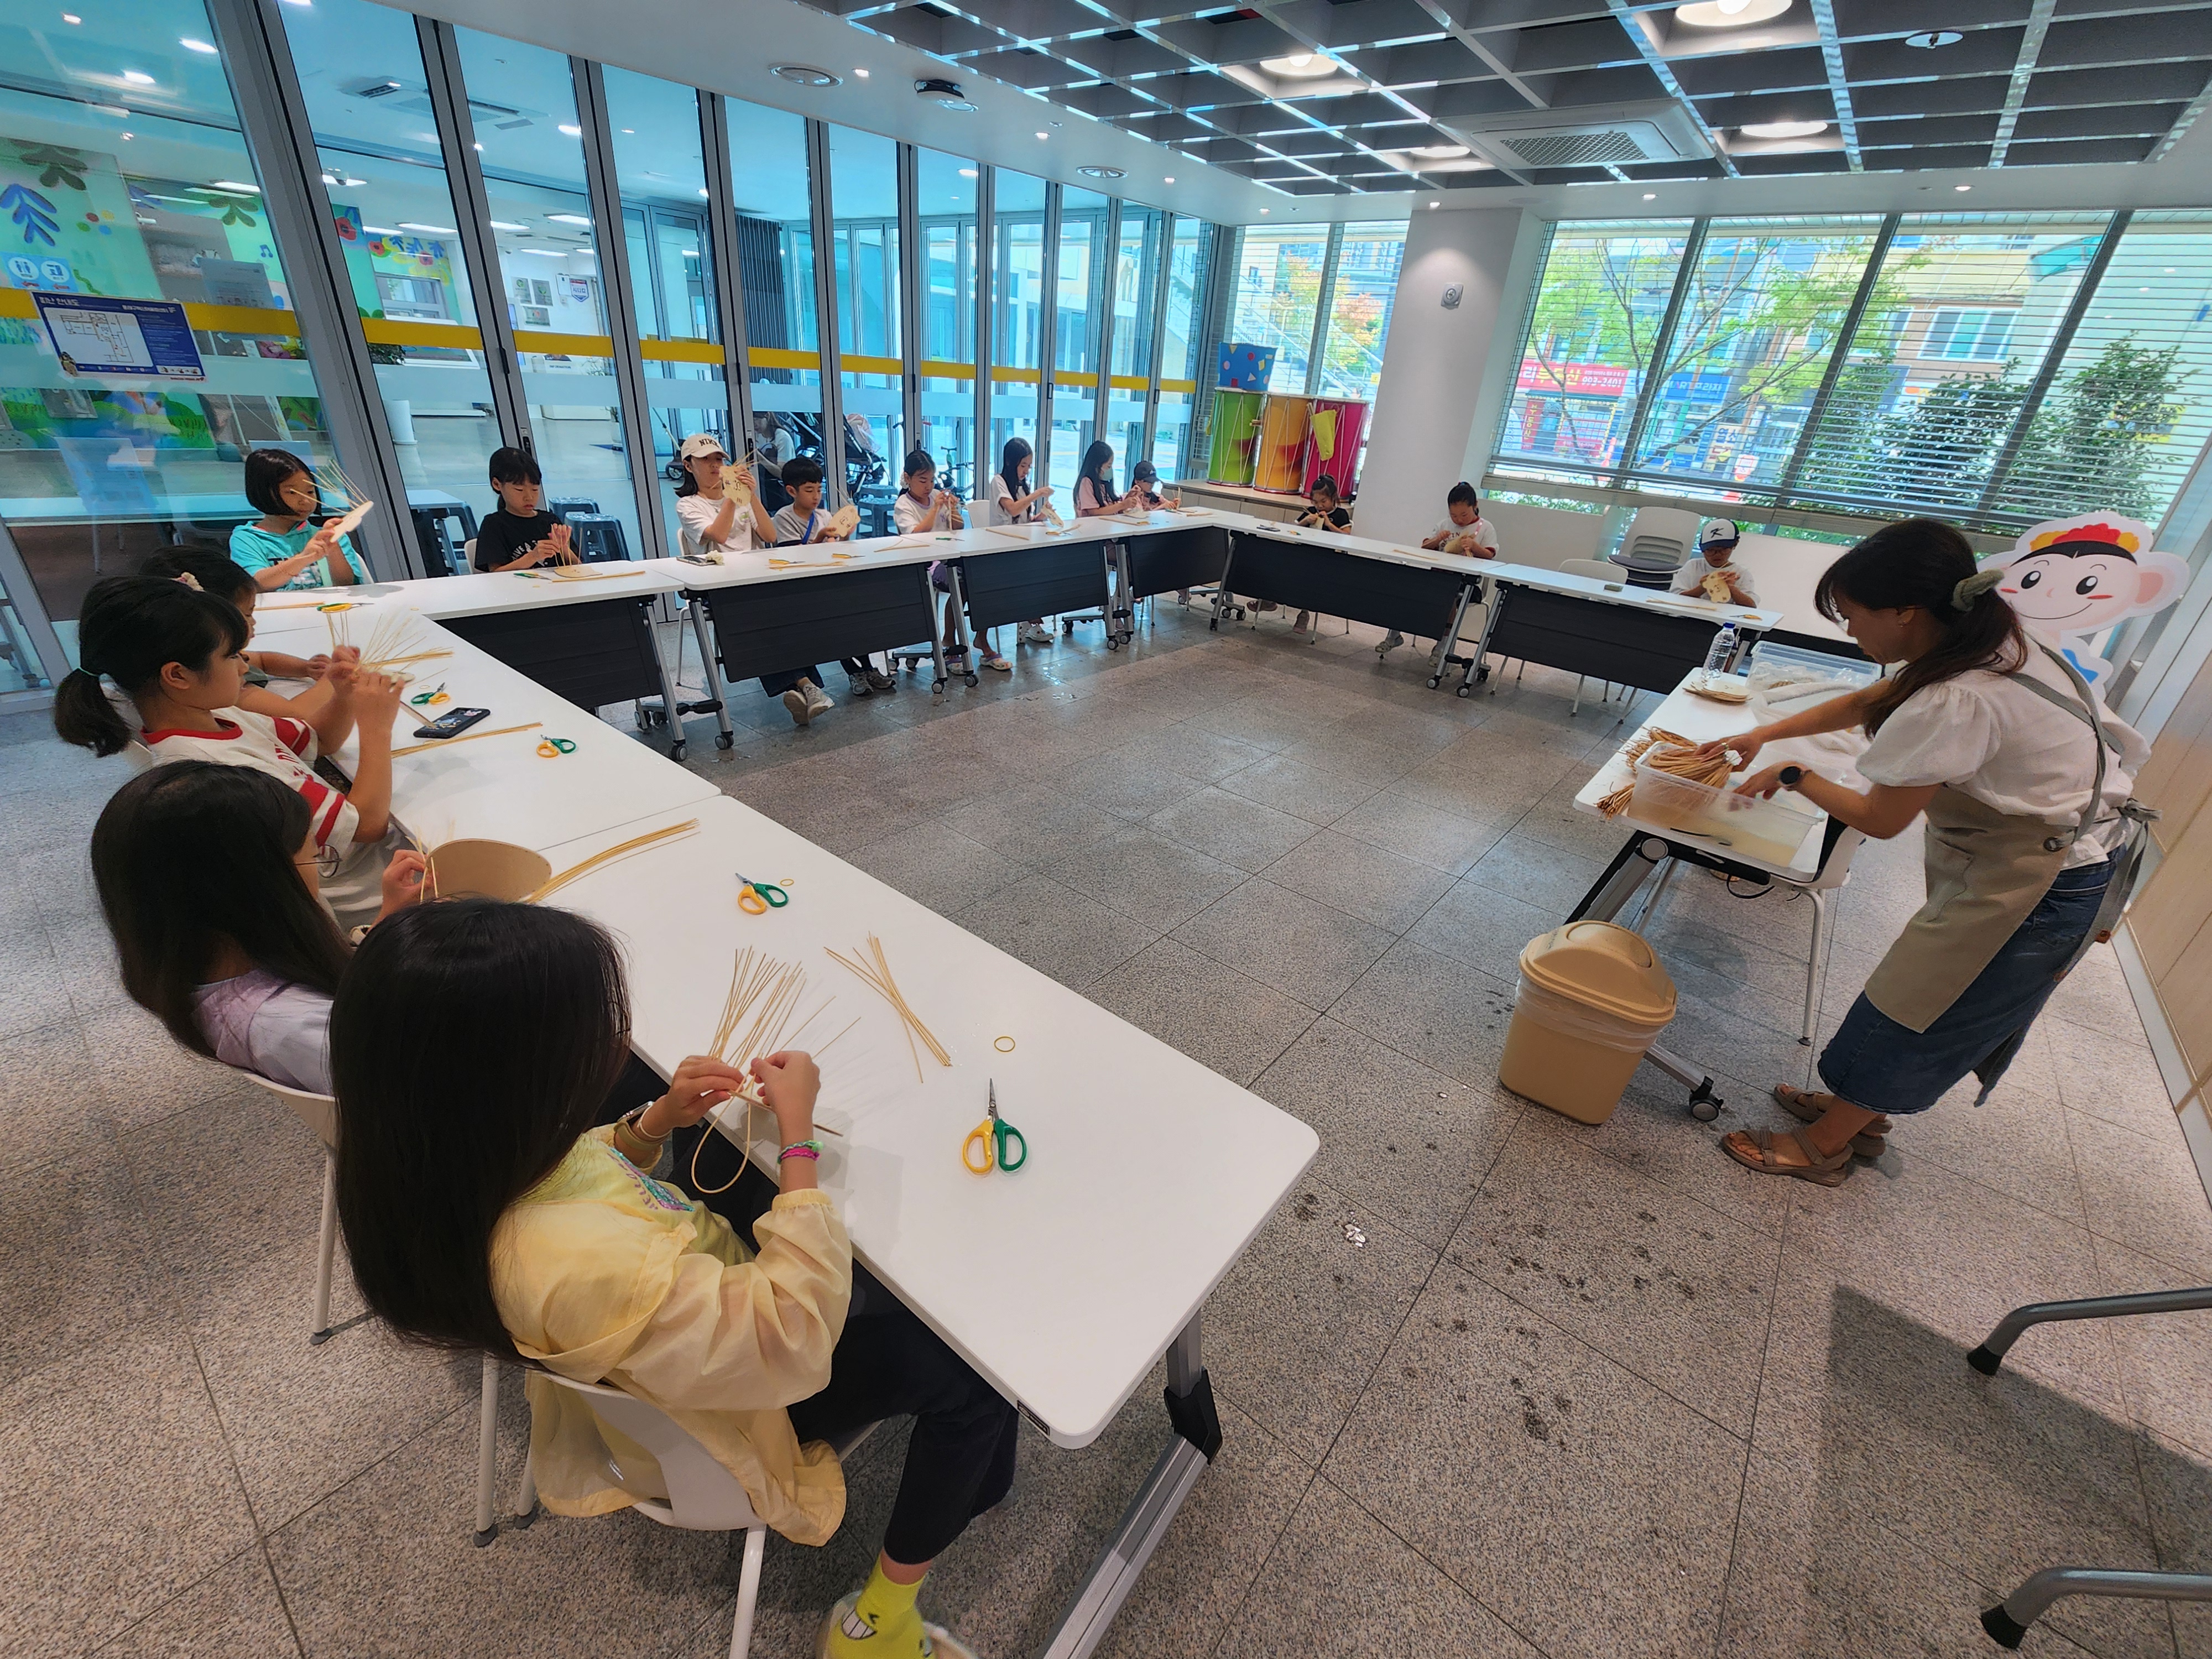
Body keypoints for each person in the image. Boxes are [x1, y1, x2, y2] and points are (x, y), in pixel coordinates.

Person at [331, 900, 1014, 1659]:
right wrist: (798, 1142)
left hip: (670, 1314)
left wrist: (653, 1121)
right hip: (736, 1394)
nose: (613, 1045)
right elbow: (792, 1337)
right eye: (585, 1037)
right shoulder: (582, 1261)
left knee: (722, 1155)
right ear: (511, 1083)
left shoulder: (453, 1171)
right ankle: (879, 1623)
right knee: (979, 1376)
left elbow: (581, 1169)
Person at [1698, 519, 2151, 1185]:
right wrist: (1766, 733)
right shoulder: (1990, 641)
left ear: (1904, 611)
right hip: (2048, 862)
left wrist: (1795, 773)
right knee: (1918, 994)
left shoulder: (1957, 696)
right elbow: (1875, 697)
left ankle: (1826, 1146)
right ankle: (1857, 1113)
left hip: (2044, 883)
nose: (1849, 631)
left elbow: (1881, 819)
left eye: (1851, 615)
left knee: (1921, 1007)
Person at [54, 576, 405, 930]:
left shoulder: (219, 715)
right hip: (376, 896)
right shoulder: (213, 772)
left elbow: (319, 740)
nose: (244, 667)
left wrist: (342, 695)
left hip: (381, 862)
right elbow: (368, 826)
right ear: (178, 675)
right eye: (232, 655)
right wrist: (377, 729)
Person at [90, 762, 425, 1093]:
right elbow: (423, 1086)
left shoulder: (208, 967)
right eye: (312, 856)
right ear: (259, 886)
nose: (316, 869)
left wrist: (389, 918)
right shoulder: (290, 1028)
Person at [676, 434, 833, 726]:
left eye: (719, 459)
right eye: (706, 460)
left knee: (787, 609)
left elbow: (770, 536)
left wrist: (751, 497)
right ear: (689, 466)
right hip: (718, 585)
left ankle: (797, 689)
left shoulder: (741, 500)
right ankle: (806, 684)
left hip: (757, 578)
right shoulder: (689, 505)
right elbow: (719, 534)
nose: (715, 465)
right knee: (760, 616)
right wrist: (732, 498)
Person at [137, 542, 335, 716]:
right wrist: (334, 679)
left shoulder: (211, 657)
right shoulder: (218, 684)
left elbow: (263, 660)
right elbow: (296, 713)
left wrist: (304, 668)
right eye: (247, 615)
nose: (253, 622)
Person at [773, 457, 895, 700]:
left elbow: (837, 549)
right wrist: (820, 538)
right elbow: (794, 557)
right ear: (792, 491)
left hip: (830, 579)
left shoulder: (824, 514)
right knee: (836, 623)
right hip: (803, 588)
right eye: (809, 490)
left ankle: (868, 668)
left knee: (857, 615)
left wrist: (846, 535)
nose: (816, 496)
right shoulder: (783, 517)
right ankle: (854, 672)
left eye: (819, 489)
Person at [901, 450, 1007, 676]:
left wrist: (954, 511)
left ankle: (981, 638)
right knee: (961, 582)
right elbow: (915, 535)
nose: (929, 486)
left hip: (951, 554)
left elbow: (958, 527)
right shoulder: (904, 505)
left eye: (932, 480)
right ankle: (950, 640)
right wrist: (936, 508)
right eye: (922, 481)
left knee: (985, 577)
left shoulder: (936, 495)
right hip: (925, 562)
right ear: (908, 478)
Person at [229, 448, 369, 591]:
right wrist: (303, 558)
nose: (306, 500)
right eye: (292, 492)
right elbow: (256, 584)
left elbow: (347, 585)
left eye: (310, 491)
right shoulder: (247, 539)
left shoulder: (327, 534)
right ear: (263, 492)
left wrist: (334, 550)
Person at [1392, 482, 1500, 655]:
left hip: (1467, 583)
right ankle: (1394, 634)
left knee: (1450, 594)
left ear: (1475, 506)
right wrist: (1437, 540)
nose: (1459, 520)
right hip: (1438, 577)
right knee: (1407, 586)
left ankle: (1443, 644)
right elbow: (1425, 548)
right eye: (1454, 515)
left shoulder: (1485, 527)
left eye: (1464, 515)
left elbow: (1490, 555)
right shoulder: (1444, 525)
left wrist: (1474, 546)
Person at [984, 437, 1054, 647]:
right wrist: (1037, 494)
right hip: (1001, 547)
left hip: (1020, 544)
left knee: (1044, 566)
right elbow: (1013, 510)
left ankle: (1030, 620)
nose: (1026, 471)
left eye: (1029, 466)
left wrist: (1041, 516)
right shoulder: (998, 482)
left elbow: (1023, 521)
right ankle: (1031, 619)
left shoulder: (1021, 486)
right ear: (1010, 462)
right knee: (1032, 571)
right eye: (1023, 465)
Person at [473, 447, 574, 573]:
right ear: (497, 485)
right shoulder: (494, 525)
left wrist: (563, 548)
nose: (529, 497)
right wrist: (533, 556)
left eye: (535, 489)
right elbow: (496, 573)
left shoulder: (550, 520)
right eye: (519, 490)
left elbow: (579, 567)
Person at [1290, 476, 1353, 634]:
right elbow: (1292, 530)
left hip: (1325, 559)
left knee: (1309, 578)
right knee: (1283, 566)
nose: (1319, 506)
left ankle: (1304, 613)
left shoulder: (1341, 514)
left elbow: (1347, 536)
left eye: (1323, 501)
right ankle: (1269, 600)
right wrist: (1305, 521)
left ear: (1334, 497)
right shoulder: (1311, 512)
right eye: (1315, 502)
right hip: (1304, 554)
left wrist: (1329, 525)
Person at [1673, 518, 1758, 607]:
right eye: (1711, 550)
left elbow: (1752, 605)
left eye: (1724, 550)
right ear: (1702, 549)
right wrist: (1703, 587)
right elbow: (1675, 597)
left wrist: (1731, 588)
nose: (1717, 555)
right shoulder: (1693, 566)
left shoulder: (1741, 574)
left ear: (1735, 545)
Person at [1072, 441, 1137, 518]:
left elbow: (1112, 510)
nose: (1110, 470)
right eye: (1109, 466)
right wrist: (1122, 505)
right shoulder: (1086, 482)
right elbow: (1093, 512)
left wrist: (1127, 500)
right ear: (1097, 466)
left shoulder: (1104, 483)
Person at [750, 411, 796, 513]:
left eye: (756, 420)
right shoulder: (756, 436)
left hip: (780, 494)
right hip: (764, 491)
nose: (754, 424)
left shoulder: (782, 438)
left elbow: (782, 473)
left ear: (767, 416)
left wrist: (760, 458)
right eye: (751, 421)